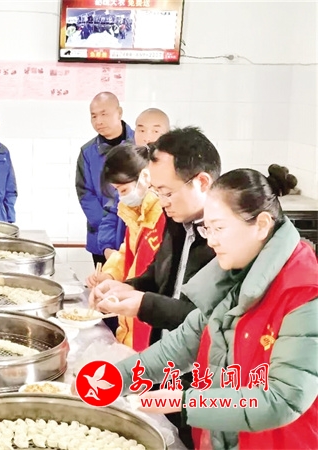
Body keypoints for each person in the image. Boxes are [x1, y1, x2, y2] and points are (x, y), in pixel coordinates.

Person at [113, 169, 318, 450]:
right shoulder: (233, 277)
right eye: (207, 229)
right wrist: (114, 378)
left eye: (219, 228)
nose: (211, 241)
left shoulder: (305, 292)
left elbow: (283, 399)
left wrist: (184, 401)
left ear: (261, 224)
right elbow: (179, 347)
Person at [90, 127, 221, 448]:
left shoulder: (225, 240)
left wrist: (142, 303)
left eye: (167, 192)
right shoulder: (177, 222)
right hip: (166, 365)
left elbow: (206, 323)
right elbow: (157, 276)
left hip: (202, 380)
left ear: (202, 182)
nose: (161, 202)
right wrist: (123, 287)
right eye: (157, 191)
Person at [85, 143, 166, 351]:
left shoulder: (163, 216)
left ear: (145, 177)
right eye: (117, 191)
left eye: (124, 190)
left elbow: (154, 272)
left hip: (149, 313)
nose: (122, 197)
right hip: (131, 316)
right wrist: (109, 275)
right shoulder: (136, 213)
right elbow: (127, 253)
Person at [75, 92, 134, 268]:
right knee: (103, 282)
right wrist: (107, 231)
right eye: (93, 116)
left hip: (134, 235)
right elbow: (85, 193)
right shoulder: (87, 152)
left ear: (119, 112)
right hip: (100, 237)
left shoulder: (138, 146)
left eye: (104, 114)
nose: (98, 121)